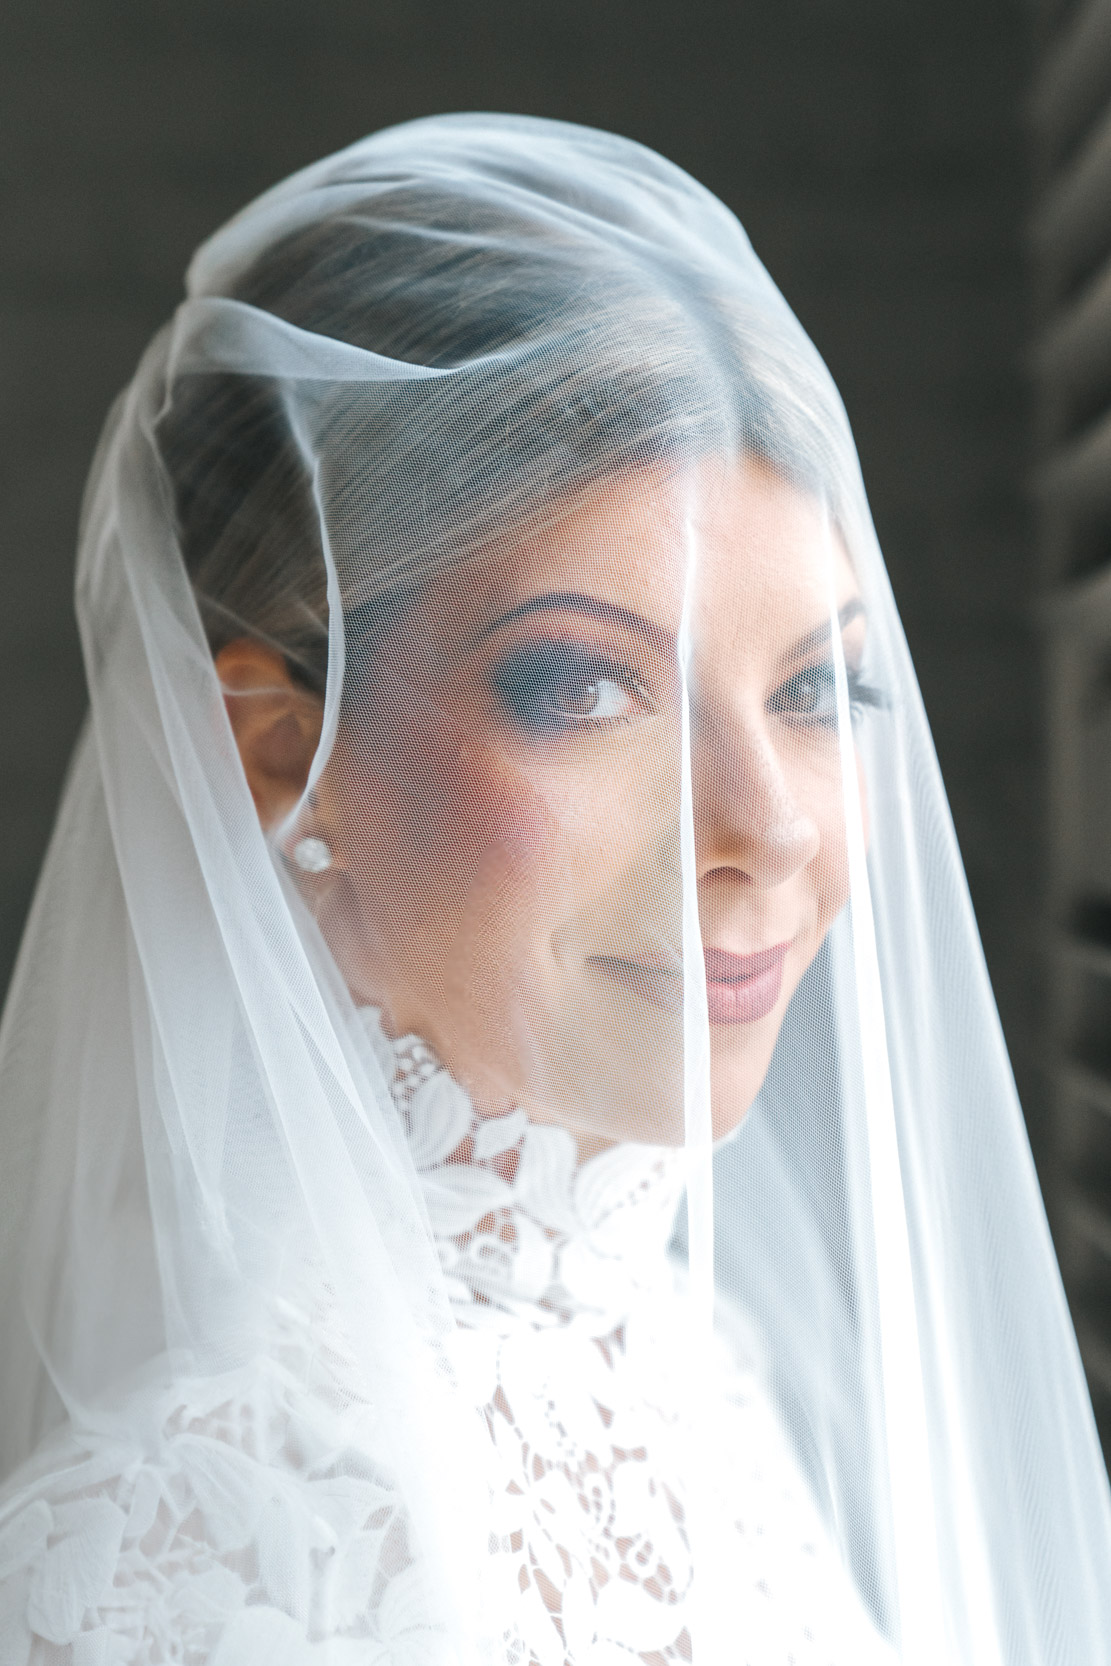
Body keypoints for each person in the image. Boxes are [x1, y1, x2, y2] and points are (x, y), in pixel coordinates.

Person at [0, 113, 1107, 1666]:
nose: (769, 831)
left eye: (816, 690)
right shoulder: (173, 1562)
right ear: (276, 755)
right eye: (587, 687)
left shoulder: (711, 1371)